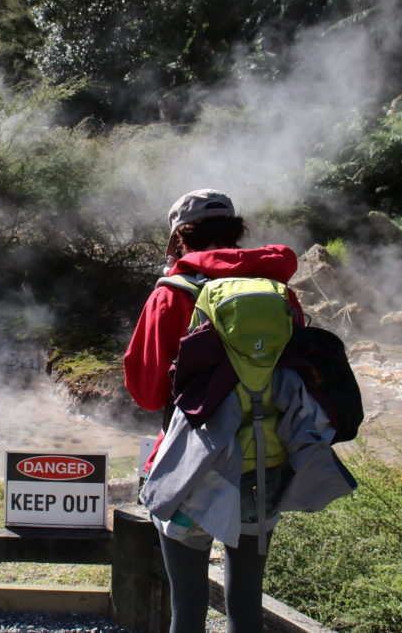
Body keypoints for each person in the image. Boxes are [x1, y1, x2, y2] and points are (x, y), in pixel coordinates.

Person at [123, 188, 306, 633]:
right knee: (245, 604)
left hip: (192, 470)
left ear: (180, 239)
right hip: (264, 464)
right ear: (237, 231)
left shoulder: (171, 295)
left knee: (187, 606)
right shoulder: (278, 292)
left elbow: (147, 394)